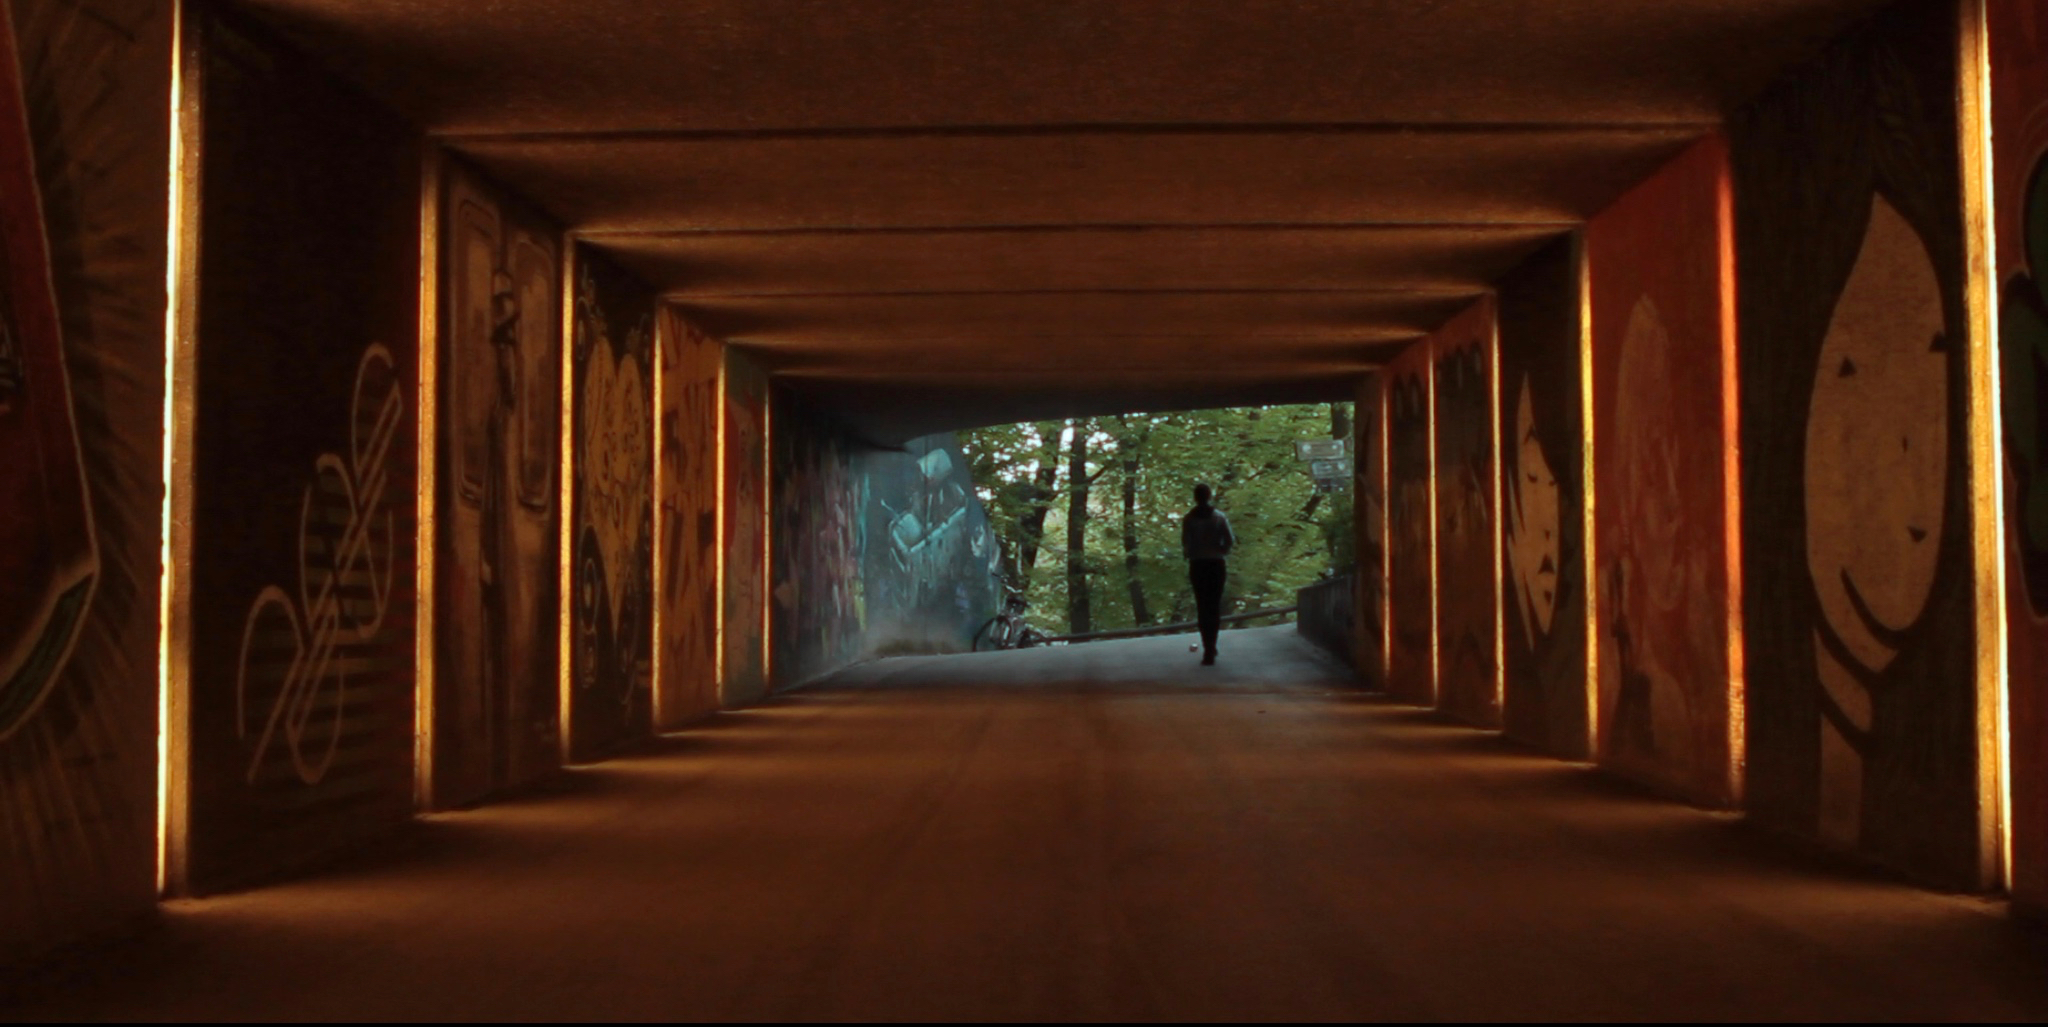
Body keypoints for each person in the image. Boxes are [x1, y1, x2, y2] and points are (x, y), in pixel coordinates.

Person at [1181, 482, 1236, 665]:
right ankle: (1212, 645)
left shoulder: (1189, 519)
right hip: (1216, 564)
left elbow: (1185, 543)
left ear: (1195, 497)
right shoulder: (1219, 517)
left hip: (1198, 565)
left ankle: (1207, 647)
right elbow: (1229, 540)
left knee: (1202, 606)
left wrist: (1193, 552)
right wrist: (1220, 551)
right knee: (1214, 606)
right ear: (1209, 496)